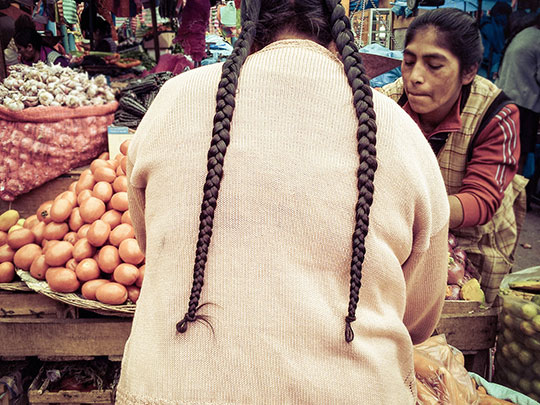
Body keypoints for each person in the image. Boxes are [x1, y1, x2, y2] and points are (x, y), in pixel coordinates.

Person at [117, 0, 450, 403]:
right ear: (337, 20)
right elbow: (417, 319)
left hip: (169, 391)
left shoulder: (173, 101)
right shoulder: (402, 134)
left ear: (246, 13)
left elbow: (153, 246)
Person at [381, 8, 527, 306]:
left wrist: (414, 209)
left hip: (475, 247)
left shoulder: (496, 114)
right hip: (406, 242)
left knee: (468, 327)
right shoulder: (387, 104)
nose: (415, 77)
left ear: (469, 71)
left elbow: (481, 200)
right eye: (409, 62)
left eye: (434, 65)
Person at [496, 12, 540, 209]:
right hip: (525, 101)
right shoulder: (537, 39)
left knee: (509, 149)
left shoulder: (524, 34)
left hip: (506, 96)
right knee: (520, 153)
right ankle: (515, 199)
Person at [479, 1, 513, 81]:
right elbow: (498, 48)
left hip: (486, 65)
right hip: (485, 66)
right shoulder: (491, 27)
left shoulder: (486, 24)